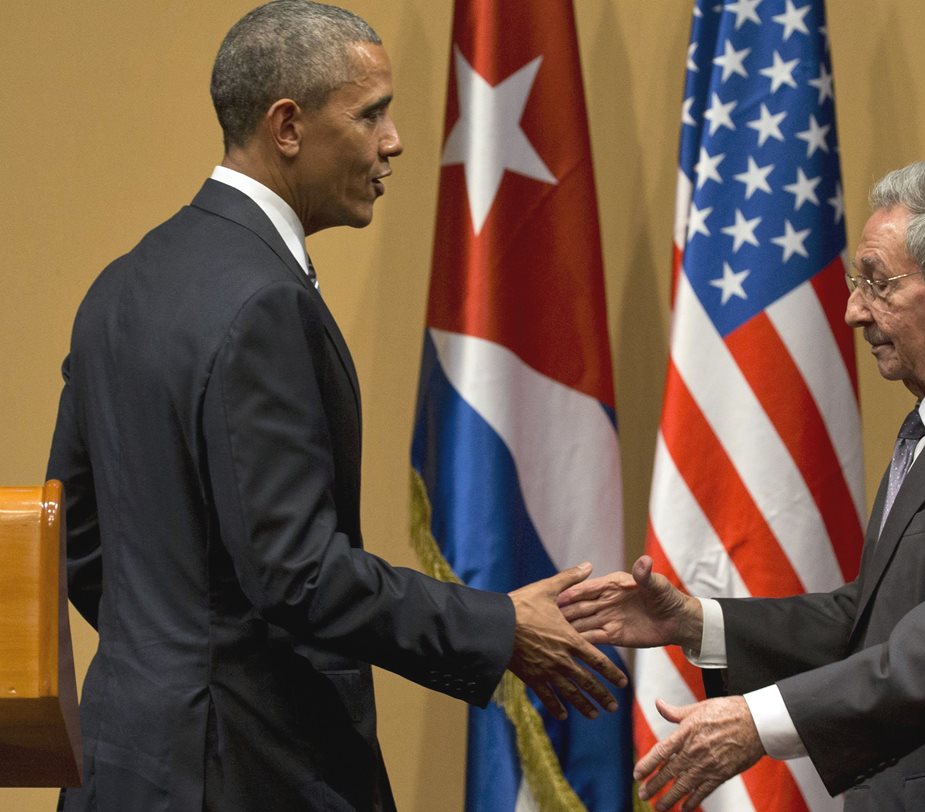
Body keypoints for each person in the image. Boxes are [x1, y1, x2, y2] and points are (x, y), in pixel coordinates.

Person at [46, 3, 625, 810]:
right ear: (288, 126)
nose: (393, 142)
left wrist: (168, 662)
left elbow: (75, 539)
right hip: (247, 775)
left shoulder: (121, 283)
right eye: (371, 114)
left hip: (124, 765)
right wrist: (495, 627)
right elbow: (298, 574)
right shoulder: (264, 304)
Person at [561, 160, 925, 811]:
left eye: (877, 283)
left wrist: (761, 721)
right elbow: (879, 619)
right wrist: (700, 623)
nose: (851, 311)